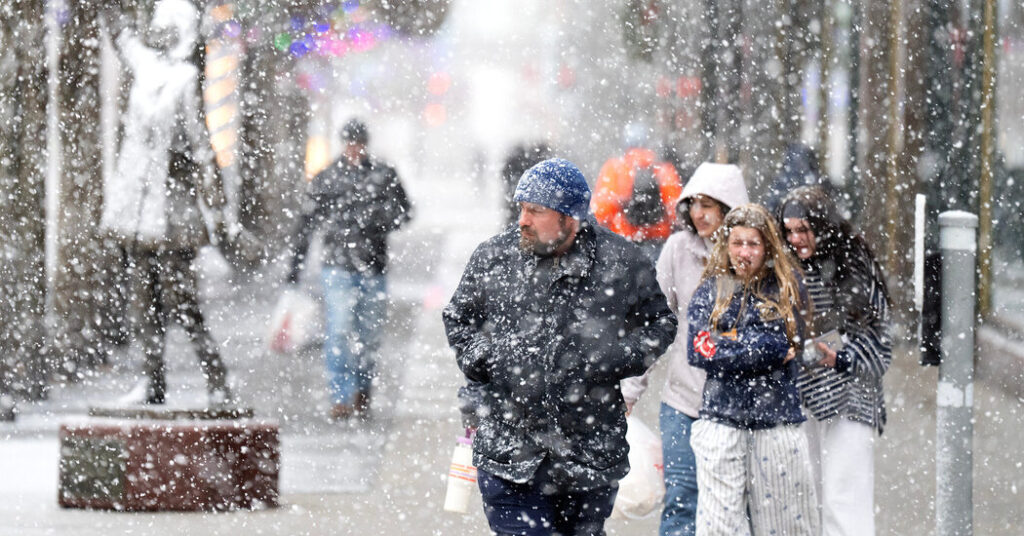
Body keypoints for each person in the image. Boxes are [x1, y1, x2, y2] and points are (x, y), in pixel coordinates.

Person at [443, 158, 677, 535]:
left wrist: (613, 359)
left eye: (536, 211)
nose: (523, 220)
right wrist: (486, 360)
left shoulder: (620, 262)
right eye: (522, 209)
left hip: (589, 456)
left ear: (570, 219)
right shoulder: (494, 258)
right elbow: (458, 317)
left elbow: (660, 323)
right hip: (509, 451)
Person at [105, 0, 232, 406]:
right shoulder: (143, 66)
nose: (158, 33)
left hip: (174, 213)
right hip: (139, 212)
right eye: (157, 26)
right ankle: (151, 380)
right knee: (143, 301)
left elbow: (201, 146)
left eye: (167, 26)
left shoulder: (184, 79)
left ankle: (217, 380)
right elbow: (120, 33)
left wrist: (219, 209)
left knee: (184, 303)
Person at [621, 162, 749, 536]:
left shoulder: (750, 253)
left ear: (730, 209)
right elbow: (653, 324)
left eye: (708, 205)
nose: (698, 214)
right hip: (682, 402)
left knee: (734, 505)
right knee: (681, 499)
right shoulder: (678, 249)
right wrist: (630, 390)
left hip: (737, 406)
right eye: (693, 204)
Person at [687, 204, 818, 536]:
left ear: (768, 247)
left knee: (787, 527)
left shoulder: (787, 288)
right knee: (718, 528)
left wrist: (731, 340)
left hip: (777, 421)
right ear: (726, 245)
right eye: (737, 243)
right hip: (720, 419)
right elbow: (700, 349)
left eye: (753, 244)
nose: (744, 252)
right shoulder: (710, 291)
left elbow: (791, 342)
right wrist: (765, 348)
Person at [777, 186, 891, 535]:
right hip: (802, 395)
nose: (796, 238)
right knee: (806, 497)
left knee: (845, 499)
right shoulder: (783, 267)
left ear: (822, 226)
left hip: (852, 396)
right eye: (789, 230)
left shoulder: (853, 263)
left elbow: (881, 342)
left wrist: (843, 358)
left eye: (803, 229)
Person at [287, 119, 412, 420]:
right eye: (350, 143)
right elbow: (306, 224)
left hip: (373, 266)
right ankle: (341, 395)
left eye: (358, 143)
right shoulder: (327, 178)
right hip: (338, 266)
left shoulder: (383, 175)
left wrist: (377, 219)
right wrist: (295, 267)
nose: (354, 149)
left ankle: (362, 388)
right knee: (340, 330)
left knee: (369, 334)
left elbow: (404, 212)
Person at [591, 147, 683, 261]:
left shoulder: (615, 168)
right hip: (658, 241)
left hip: (624, 240)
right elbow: (676, 211)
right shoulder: (663, 169)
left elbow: (601, 211)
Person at [501, 142, 553, 225]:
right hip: (527, 199)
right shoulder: (540, 161)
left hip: (515, 197)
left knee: (513, 219)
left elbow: (504, 174)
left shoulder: (515, 160)